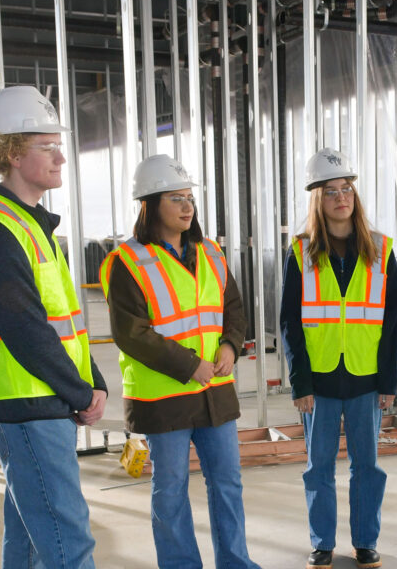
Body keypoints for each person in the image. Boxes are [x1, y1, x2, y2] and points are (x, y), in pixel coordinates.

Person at [0, 85, 106, 568]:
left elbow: (65, 323)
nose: (61, 156)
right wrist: (79, 394)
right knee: (67, 539)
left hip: (41, 399)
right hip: (23, 402)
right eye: (47, 146)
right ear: (14, 153)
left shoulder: (33, 226)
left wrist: (92, 380)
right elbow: (24, 330)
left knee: (29, 537)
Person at [99, 154, 259, 569]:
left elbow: (233, 307)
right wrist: (190, 365)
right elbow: (131, 333)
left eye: (190, 198)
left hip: (215, 393)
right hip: (163, 397)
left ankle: (236, 563)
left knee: (227, 484)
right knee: (169, 491)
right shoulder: (126, 262)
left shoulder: (211, 252)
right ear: (150, 205)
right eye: (176, 199)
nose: (188, 207)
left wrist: (230, 346)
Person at [280, 147, 397, 569]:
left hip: (366, 379)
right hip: (321, 381)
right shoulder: (300, 252)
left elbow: (392, 323)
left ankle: (365, 541)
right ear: (318, 198)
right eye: (330, 191)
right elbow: (290, 325)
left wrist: (389, 382)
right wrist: (300, 384)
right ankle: (323, 543)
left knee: (367, 467)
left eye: (346, 188)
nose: (340, 197)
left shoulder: (382, 250)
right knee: (319, 469)